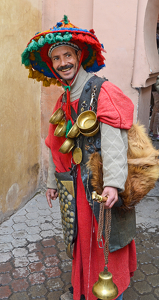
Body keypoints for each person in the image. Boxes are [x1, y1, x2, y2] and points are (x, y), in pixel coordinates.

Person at [21, 16, 137, 300]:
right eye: (57, 58)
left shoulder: (102, 90)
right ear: (52, 65)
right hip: (73, 190)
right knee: (79, 243)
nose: (62, 63)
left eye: (67, 55)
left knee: (104, 246)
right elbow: (55, 145)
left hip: (99, 189)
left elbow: (113, 142)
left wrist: (112, 184)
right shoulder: (63, 100)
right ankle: (84, 290)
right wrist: (51, 183)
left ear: (79, 56)